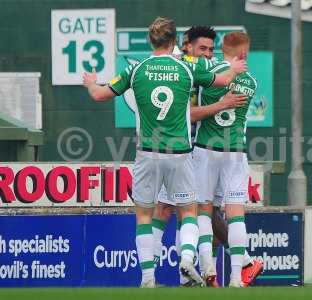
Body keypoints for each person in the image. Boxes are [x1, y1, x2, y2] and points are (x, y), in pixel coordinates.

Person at [82, 17, 247, 288]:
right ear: (174, 41)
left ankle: (148, 278)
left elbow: (99, 95)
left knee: (145, 216)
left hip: (147, 153)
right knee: (190, 212)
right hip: (180, 153)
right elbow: (224, 80)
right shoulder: (185, 68)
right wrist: (235, 67)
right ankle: (186, 259)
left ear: (151, 40)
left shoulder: (136, 70)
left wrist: (90, 81)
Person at [193, 32, 261, 287]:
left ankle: (208, 267)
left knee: (203, 210)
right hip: (235, 152)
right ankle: (235, 278)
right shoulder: (251, 82)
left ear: (222, 49)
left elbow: (201, 76)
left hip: (205, 148)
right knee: (236, 215)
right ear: (243, 53)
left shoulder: (210, 72)